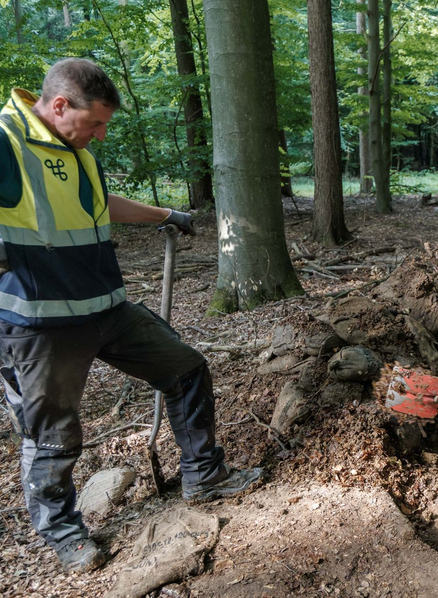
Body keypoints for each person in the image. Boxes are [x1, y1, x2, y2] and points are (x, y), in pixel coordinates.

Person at [0, 59, 263, 573]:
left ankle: (203, 476)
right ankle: (65, 534)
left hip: (107, 309)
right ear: (59, 106)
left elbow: (98, 204)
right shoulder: (7, 143)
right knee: (51, 432)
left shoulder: (75, 150)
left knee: (186, 369)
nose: (98, 135)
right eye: (94, 123)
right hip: (39, 326)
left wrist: (163, 215)